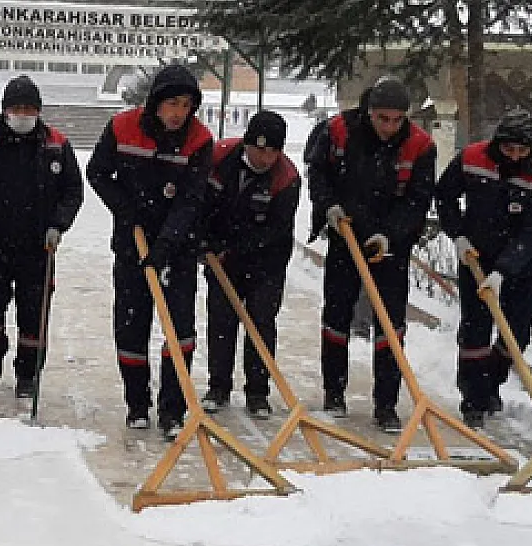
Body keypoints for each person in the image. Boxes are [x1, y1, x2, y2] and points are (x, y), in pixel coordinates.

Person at [87, 64, 214, 439]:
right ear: (155, 103)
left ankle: (173, 411)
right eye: (171, 103)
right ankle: (137, 404)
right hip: (131, 244)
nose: (178, 112)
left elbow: (190, 201)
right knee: (131, 326)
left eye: (186, 104)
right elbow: (97, 173)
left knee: (180, 330)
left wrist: (165, 246)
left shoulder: (199, 140)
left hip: (177, 249)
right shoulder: (122, 127)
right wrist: (125, 210)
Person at [305, 75, 436, 433]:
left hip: (391, 243)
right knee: (337, 315)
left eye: (397, 120)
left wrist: (389, 235)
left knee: (389, 323)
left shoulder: (420, 145)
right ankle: (334, 393)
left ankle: (386, 405)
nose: (389, 128)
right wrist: (328, 205)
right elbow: (318, 173)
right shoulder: (340, 131)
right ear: (370, 111)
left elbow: (417, 200)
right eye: (383, 119)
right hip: (345, 232)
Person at [0, 75, 84, 398]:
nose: (23, 115)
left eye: (29, 109)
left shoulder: (55, 145)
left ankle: (28, 372)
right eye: (17, 108)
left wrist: (59, 224)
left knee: (34, 313)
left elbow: (72, 190)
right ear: (5, 110)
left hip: (38, 246)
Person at [434, 109, 532, 429]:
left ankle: (491, 386)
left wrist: (505, 270)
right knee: (476, 329)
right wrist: (458, 235)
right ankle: (472, 400)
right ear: (497, 143)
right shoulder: (472, 158)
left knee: (516, 334)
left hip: (520, 265)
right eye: (508, 149)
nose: (515, 156)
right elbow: (445, 197)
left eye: (522, 150)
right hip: (476, 255)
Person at [198, 110, 301, 418]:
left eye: (272, 151)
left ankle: (258, 392)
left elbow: (275, 230)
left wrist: (235, 248)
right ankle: (219, 387)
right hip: (220, 257)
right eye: (259, 149)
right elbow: (199, 203)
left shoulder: (287, 178)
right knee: (221, 320)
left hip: (266, 260)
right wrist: (204, 242)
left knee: (261, 321)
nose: (265, 157)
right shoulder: (218, 159)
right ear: (246, 144)